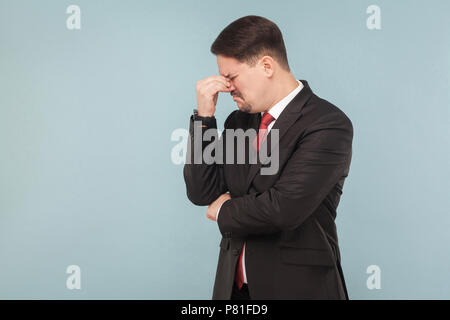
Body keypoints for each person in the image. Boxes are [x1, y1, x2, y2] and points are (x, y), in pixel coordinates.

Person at [183, 15, 353, 300]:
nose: (226, 88)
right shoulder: (240, 122)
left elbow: (283, 208)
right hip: (234, 290)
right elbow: (203, 192)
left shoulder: (327, 123)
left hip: (298, 288)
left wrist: (226, 209)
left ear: (266, 66)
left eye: (231, 77)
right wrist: (204, 118)